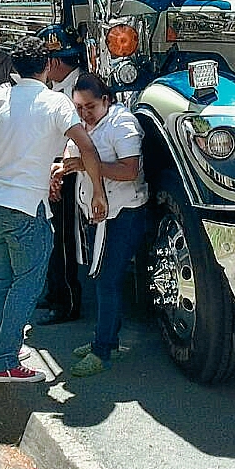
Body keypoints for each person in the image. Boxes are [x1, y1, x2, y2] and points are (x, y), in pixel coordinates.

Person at [0, 36, 108, 383]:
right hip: (26, 205)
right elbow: (87, 148)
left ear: (13, 66)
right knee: (27, 284)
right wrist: (98, 191)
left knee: (1, 278)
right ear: (48, 65)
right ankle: (5, 361)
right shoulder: (56, 102)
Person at [58, 73, 149, 377]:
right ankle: (106, 338)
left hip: (122, 212)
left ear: (106, 101)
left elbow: (130, 171)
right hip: (99, 212)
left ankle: (103, 349)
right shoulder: (85, 123)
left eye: (90, 107)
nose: (84, 113)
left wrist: (86, 166)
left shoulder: (122, 124)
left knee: (107, 281)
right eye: (79, 108)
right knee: (103, 278)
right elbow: (74, 153)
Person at [36, 24, 85, 326]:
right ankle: (55, 291)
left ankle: (66, 301)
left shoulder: (77, 90)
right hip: (53, 165)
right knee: (51, 236)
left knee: (63, 239)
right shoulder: (58, 89)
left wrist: (60, 170)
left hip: (67, 169)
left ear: (53, 61)